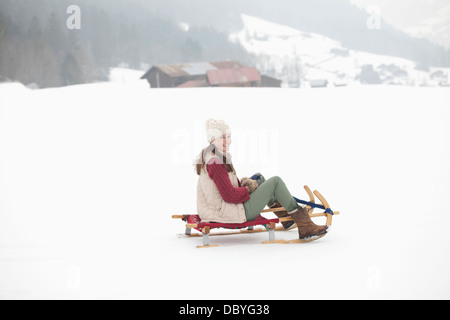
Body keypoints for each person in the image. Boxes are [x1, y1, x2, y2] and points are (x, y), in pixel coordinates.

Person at [194, 119, 327, 240]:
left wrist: (249, 184)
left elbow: (226, 187)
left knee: (260, 178)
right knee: (275, 181)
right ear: (212, 139)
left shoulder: (213, 155)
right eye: (222, 137)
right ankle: (305, 225)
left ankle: (285, 218)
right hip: (228, 212)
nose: (227, 141)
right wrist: (248, 188)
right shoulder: (215, 163)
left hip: (224, 208)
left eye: (228, 136)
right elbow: (229, 195)